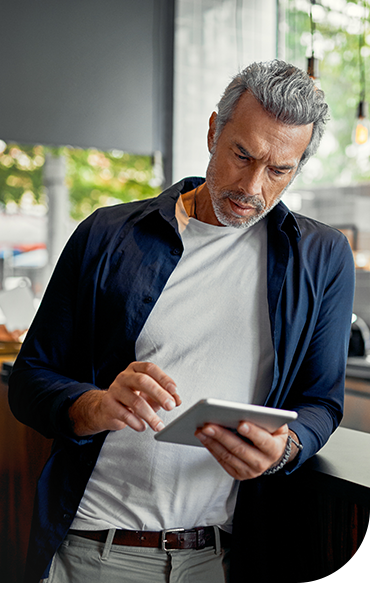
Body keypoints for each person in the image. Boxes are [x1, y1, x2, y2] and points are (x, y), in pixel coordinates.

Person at [8, 60, 355, 583]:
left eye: (279, 170)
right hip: (95, 549)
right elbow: (30, 380)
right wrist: (96, 405)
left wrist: (286, 447)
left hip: (222, 558)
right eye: (242, 155)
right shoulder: (107, 234)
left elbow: (322, 402)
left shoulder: (321, 256)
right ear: (214, 130)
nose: (253, 186)